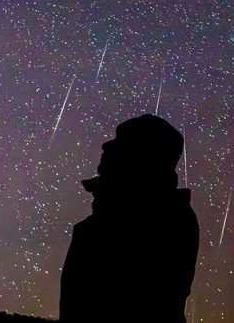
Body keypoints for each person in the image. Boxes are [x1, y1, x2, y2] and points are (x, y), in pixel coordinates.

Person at [60, 114, 199, 322]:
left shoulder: (159, 220)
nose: (107, 145)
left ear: (144, 155)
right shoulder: (121, 214)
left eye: (122, 141)